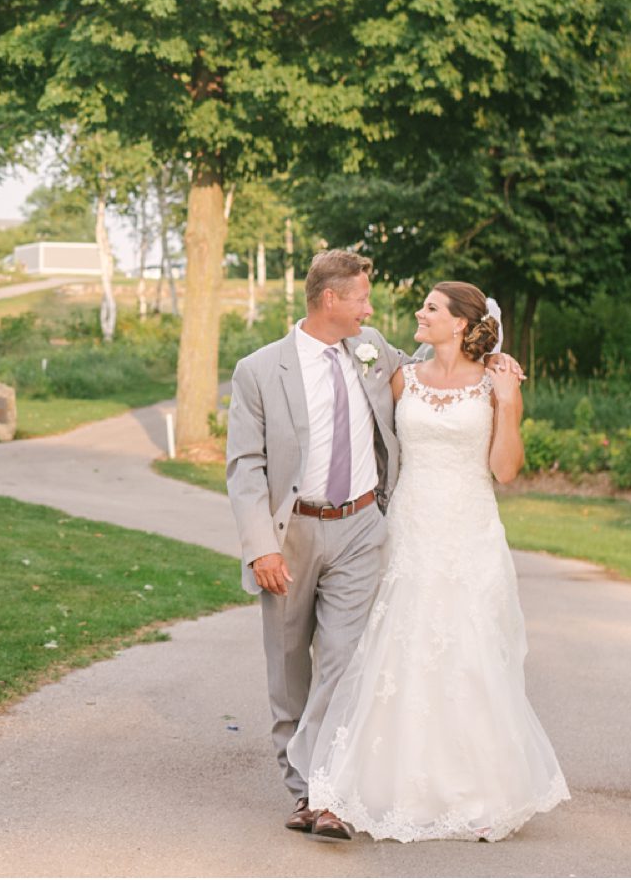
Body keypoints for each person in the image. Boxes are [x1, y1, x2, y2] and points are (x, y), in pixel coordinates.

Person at [224, 251, 525, 837]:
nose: (371, 308)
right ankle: (300, 786)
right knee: (288, 667)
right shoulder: (258, 370)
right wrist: (261, 546)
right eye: (361, 298)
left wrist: (492, 359)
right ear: (330, 300)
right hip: (291, 533)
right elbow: (244, 466)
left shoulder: (372, 349)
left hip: (363, 526)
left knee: (346, 661)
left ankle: (325, 794)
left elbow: (445, 368)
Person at [302, 279, 569, 842]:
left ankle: (478, 793)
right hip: (410, 530)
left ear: (461, 323)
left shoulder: (494, 383)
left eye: (430, 308)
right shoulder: (404, 377)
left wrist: (509, 403)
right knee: (398, 650)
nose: (419, 314)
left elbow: (505, 471)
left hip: (469, 532)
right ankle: (392, 785)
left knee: (471, 652)